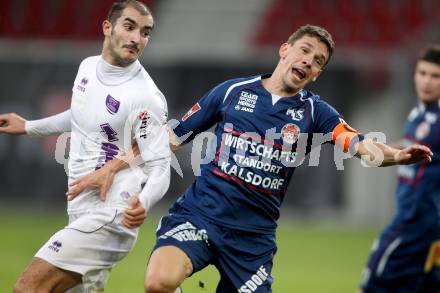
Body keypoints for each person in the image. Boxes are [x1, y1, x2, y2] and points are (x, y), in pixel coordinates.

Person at [11, 24, 433, 292]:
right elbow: (170, 139)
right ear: (285, 50)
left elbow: (360, 146)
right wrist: (115, 166)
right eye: (304, 51)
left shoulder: (315, 113)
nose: (308, 61)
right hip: (201, 216)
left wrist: (396, 156)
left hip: (252, 238)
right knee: (158, 281)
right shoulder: (232, 92)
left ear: (319, 73)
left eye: (318, 61)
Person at [0, 1, 170, 292]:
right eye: (129, 27)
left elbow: (160, 163)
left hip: (112, 213)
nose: (136, 38)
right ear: (107, 27)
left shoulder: (147, 96)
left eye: (145, 32)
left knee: (28, 288)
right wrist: (28, 127)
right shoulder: (88, 67)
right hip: (80, 207)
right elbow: (80, 115)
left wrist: (144, 202)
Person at [359, 44, 440, 293]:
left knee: (371, 286)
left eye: (435, 76)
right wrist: (376, 150)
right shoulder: (417, 114)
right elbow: (410, 148)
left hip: (414, 226)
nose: (426, 81)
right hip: (416, 226)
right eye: (422, 73)